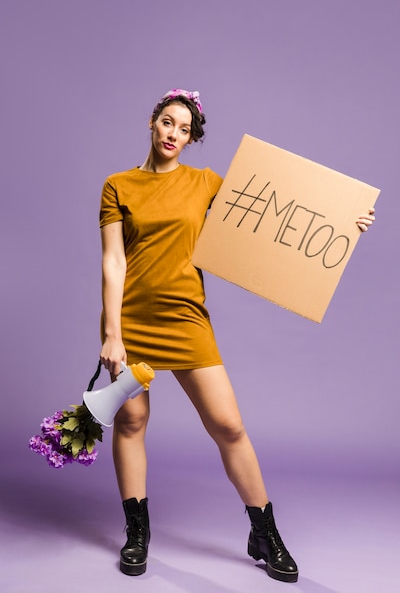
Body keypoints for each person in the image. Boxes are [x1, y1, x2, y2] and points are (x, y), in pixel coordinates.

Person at [99, 89, 375, 583]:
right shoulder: (117, 185)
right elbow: (114, 262)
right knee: (131, 421)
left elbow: (270, 222)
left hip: (187, 318)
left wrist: (345, 221)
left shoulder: (206, 183)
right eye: (167, 122)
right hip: (133, 319)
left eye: (184, 129)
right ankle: (137, 532)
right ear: (152, 122)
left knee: (228, 425)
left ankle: (263, 532)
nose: (173, 134)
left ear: (191, 137)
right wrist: (111, 333)